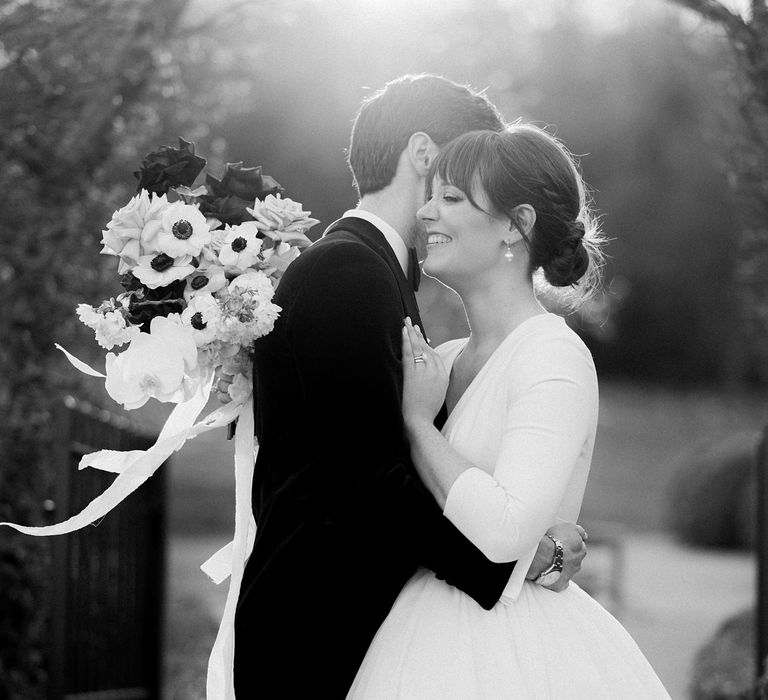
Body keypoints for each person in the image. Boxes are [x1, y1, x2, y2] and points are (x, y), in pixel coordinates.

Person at [226, 75, 589, 698]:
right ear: (424, 154)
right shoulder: (350, 271)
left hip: (354, 636)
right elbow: (369, 480)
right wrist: (510, 563)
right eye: (453, 178)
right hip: (312, 635)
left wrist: (544, 531)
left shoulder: (383, 281)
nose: (439, 209)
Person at [347, 125, 670, 699]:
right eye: (430, 195)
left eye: (450, 199)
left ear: (516, 225)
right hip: (413, 632)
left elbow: (502, 532)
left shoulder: (553, 355)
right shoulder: (440, 363)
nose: (425, 213)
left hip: (506, 650)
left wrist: (419, 425)